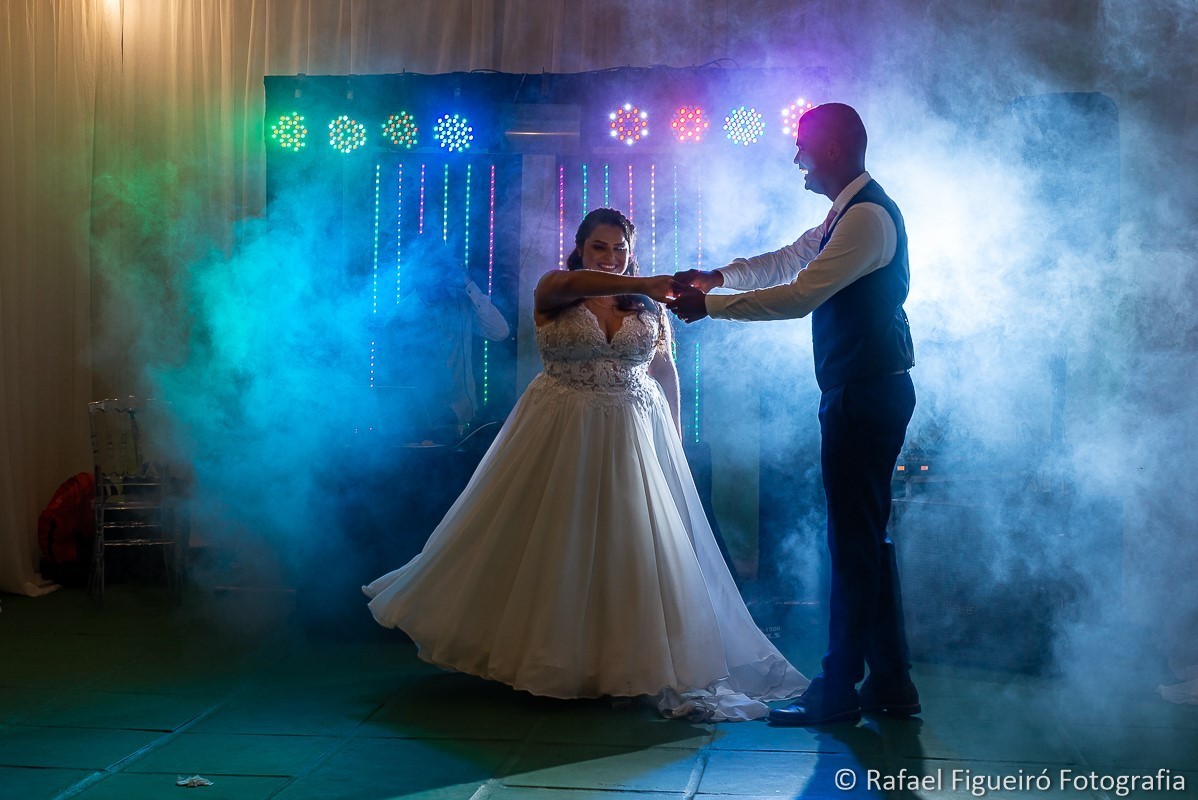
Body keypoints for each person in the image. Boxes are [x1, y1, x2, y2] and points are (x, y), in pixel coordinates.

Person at [364, 208, 806, 721]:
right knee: (558, 540)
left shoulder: (646, 304)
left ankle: (625, 664)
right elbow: (573, 284)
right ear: (579, 247)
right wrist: (646, 283)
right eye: (600, 246)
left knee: (629, 542)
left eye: (620, 248)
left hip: (633, 428)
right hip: (563, 426)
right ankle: (552, 657)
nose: (611, 257)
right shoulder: (557, 287)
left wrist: (676, 441)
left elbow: (664, 369)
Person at [668, 103, 920, 726]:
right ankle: (891, 684)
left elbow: (801, 294)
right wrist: (715, 277)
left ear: (832, 150)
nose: (796, 159)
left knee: (853, 543)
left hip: (865, 394)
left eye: (803, 147)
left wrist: (710, 307)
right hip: (864, 390)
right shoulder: (846, 214)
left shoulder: (866, 218)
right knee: (868, 540)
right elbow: (786, 259)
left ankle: (838, 692)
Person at [376, 238, 510, 440]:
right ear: (417, 269)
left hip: (463, 416)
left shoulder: (463, 302)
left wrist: (468, 283)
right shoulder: (398, 317)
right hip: (420, 421)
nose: (436, 274)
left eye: (441, 265)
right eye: (431, 265)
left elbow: (500, 332)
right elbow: (392, 376)